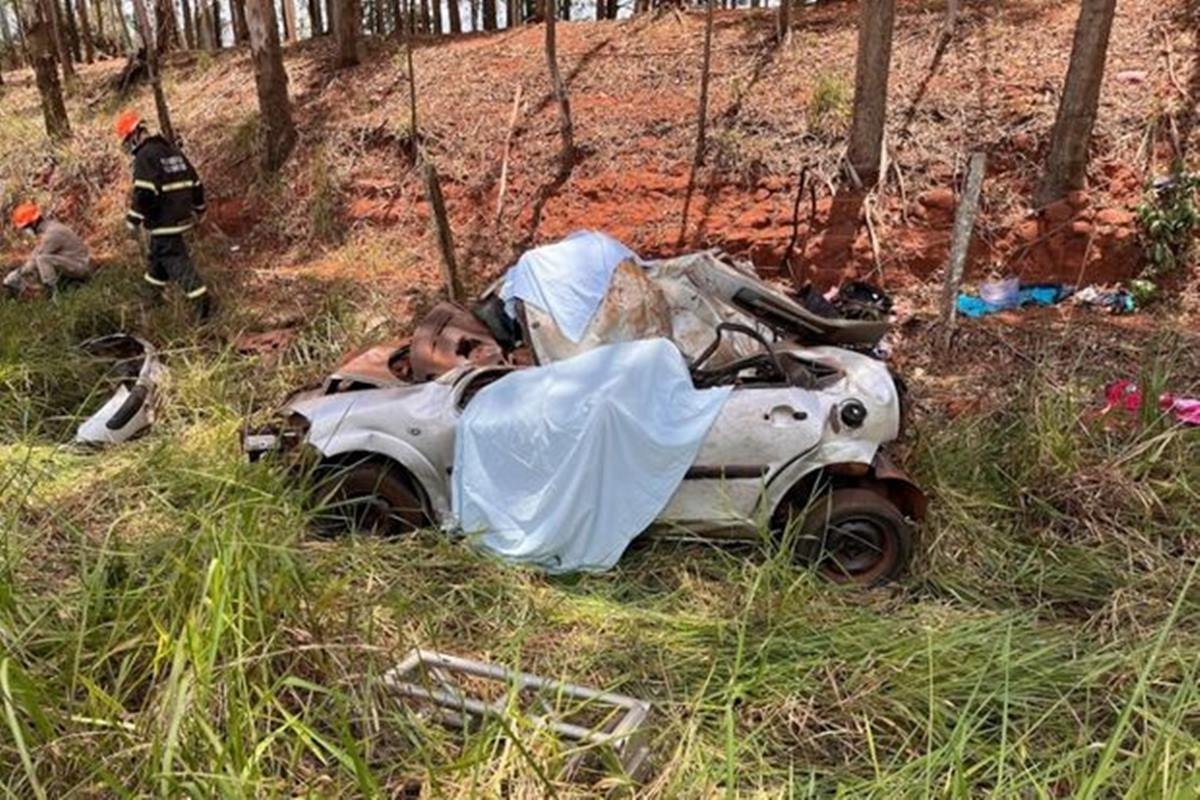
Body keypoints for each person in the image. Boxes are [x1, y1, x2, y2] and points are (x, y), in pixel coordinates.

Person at [114, 110, 212, 320]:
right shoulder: (173, 151)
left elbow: (145, 193)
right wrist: (199, 208)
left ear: (133, 136)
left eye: (126, 141)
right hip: (180, 217)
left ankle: (202, 302)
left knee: (174, 259)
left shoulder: (144, 156)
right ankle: (151, 298)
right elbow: (196, 183)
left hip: (163, 220)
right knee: (157, 260)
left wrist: (133, 219)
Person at [4, 203, 93, 298]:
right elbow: (36, 253)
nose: (26, 230)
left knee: (43, 259)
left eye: (26, 227)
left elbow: (37, 259)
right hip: (73, 264)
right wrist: (18, 272)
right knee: (41, 259)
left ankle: (53, 294)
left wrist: (18, 274)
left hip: (80, 267)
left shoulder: (53, 233)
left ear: (33, 223)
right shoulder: (49, 230)